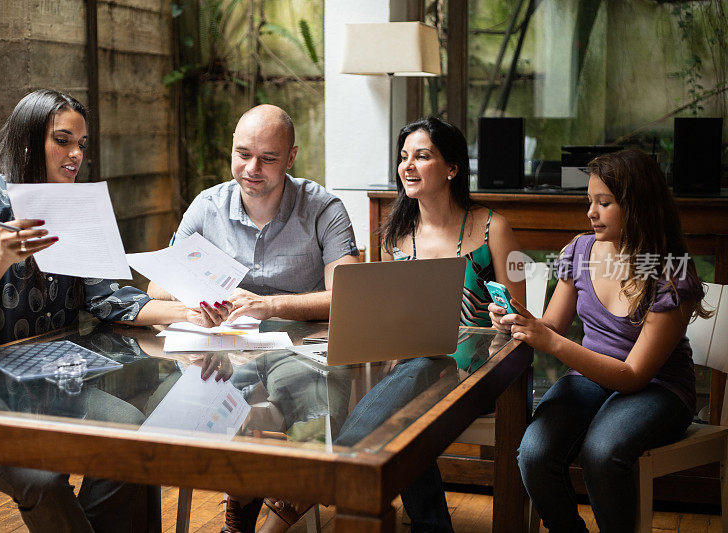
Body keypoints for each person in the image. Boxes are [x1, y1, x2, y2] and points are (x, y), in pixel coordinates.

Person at [0, 89, 213, 532]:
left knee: (134, 433)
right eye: (63, 140)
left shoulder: (78, 207)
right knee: (40, 477)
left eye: (81, 143)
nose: (76, 154)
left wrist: (186, 311)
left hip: (47, 379)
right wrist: (1, 256)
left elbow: (107, 297)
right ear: (27, 142)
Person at [260, 116, 526, 533]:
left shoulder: (493, 227)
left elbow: (521, 314)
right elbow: (383, 320)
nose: (408, 166)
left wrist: (503, 316)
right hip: (409, 371)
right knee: (407, 393)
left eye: (422, 156)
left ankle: (323, 474)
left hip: (476, 373)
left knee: (417, 373)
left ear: (452, 167)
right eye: (404, 157)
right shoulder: (396, 235)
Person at [492, 149, 711, 532]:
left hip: (658, 389)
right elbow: (554, 326)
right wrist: (520, 322)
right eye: (589, 201)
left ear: (638, 206)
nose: (590, 213)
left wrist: (552, 344)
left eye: (604, 203)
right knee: (534, 453)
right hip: (590, 379)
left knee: (602, 452)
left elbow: (633, 375)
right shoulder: (578, 250)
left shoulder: (671, 275)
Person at [148, 104, 359, 325]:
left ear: (290, 158)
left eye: (267, 158)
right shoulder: (207, 206)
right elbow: (156, 288)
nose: (252, 168)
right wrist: (196, 293)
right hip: (223, 341)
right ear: (232, 147)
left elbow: (347, 297)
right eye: (243, 154)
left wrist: (271, 306)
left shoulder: (323, 209)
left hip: (301, 342)